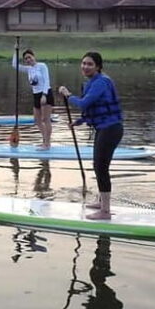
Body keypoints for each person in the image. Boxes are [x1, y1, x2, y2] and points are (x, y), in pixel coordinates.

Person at [58, 51, 123, 220]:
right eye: (84, 63)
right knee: (98, 165)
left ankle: (105, 211)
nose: (85, 67)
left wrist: (68, 95)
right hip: (104, 128)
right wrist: (79, 121)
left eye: (90, 64)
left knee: (101, 167)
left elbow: (83, 104)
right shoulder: (92, 82)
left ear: (98, 67)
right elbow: (93, 110)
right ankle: (101, 202)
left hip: (111, 129)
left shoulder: (101, 82)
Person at [12, 44, 54, 149]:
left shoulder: (42, 66)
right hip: (36, 95)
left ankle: (47, 143)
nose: (28, 60)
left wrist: (44, 95)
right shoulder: (28, 69)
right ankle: (44, 140)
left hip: (45, 93)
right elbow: (14, 65)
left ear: (33, 56)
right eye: (26, 59)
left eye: (29, 57)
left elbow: (47, 81)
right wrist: (16, 50)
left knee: (45, 119)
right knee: (37, 120)